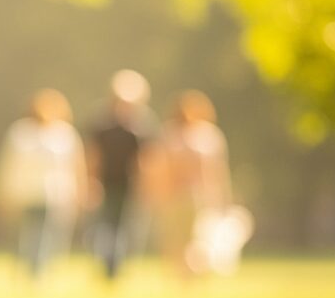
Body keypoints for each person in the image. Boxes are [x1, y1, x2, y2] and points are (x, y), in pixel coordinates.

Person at [0, 88, 88, 278]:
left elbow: (77, 165)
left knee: (48, 233)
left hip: (56, 195)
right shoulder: (20, 132)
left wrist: (80, 191)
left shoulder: (65, 134)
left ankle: (40, 268)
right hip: (26, 194)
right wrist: (4, 192)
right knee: (29, 233)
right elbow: (9, 165)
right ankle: (30, 267)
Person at [147, 90, 237, 277]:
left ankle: (190, 273)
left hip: (197, 196)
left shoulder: (206, 135)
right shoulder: (170, 134)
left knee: (194, 237)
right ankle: (180, 274)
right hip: (174, 195)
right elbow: (158, 167)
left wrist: (221, 198)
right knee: (174, 237)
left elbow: (216, 171)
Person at [86, 69, 156, 280]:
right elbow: (93, 155)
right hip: (106, 183)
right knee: (106, 226)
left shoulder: (142, 125)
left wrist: (147, 185)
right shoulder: (101, 123)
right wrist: (91, 181)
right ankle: (108, 264)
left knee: (126, 227)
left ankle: (115, 265)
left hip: (131, 185)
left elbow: (146, 160)